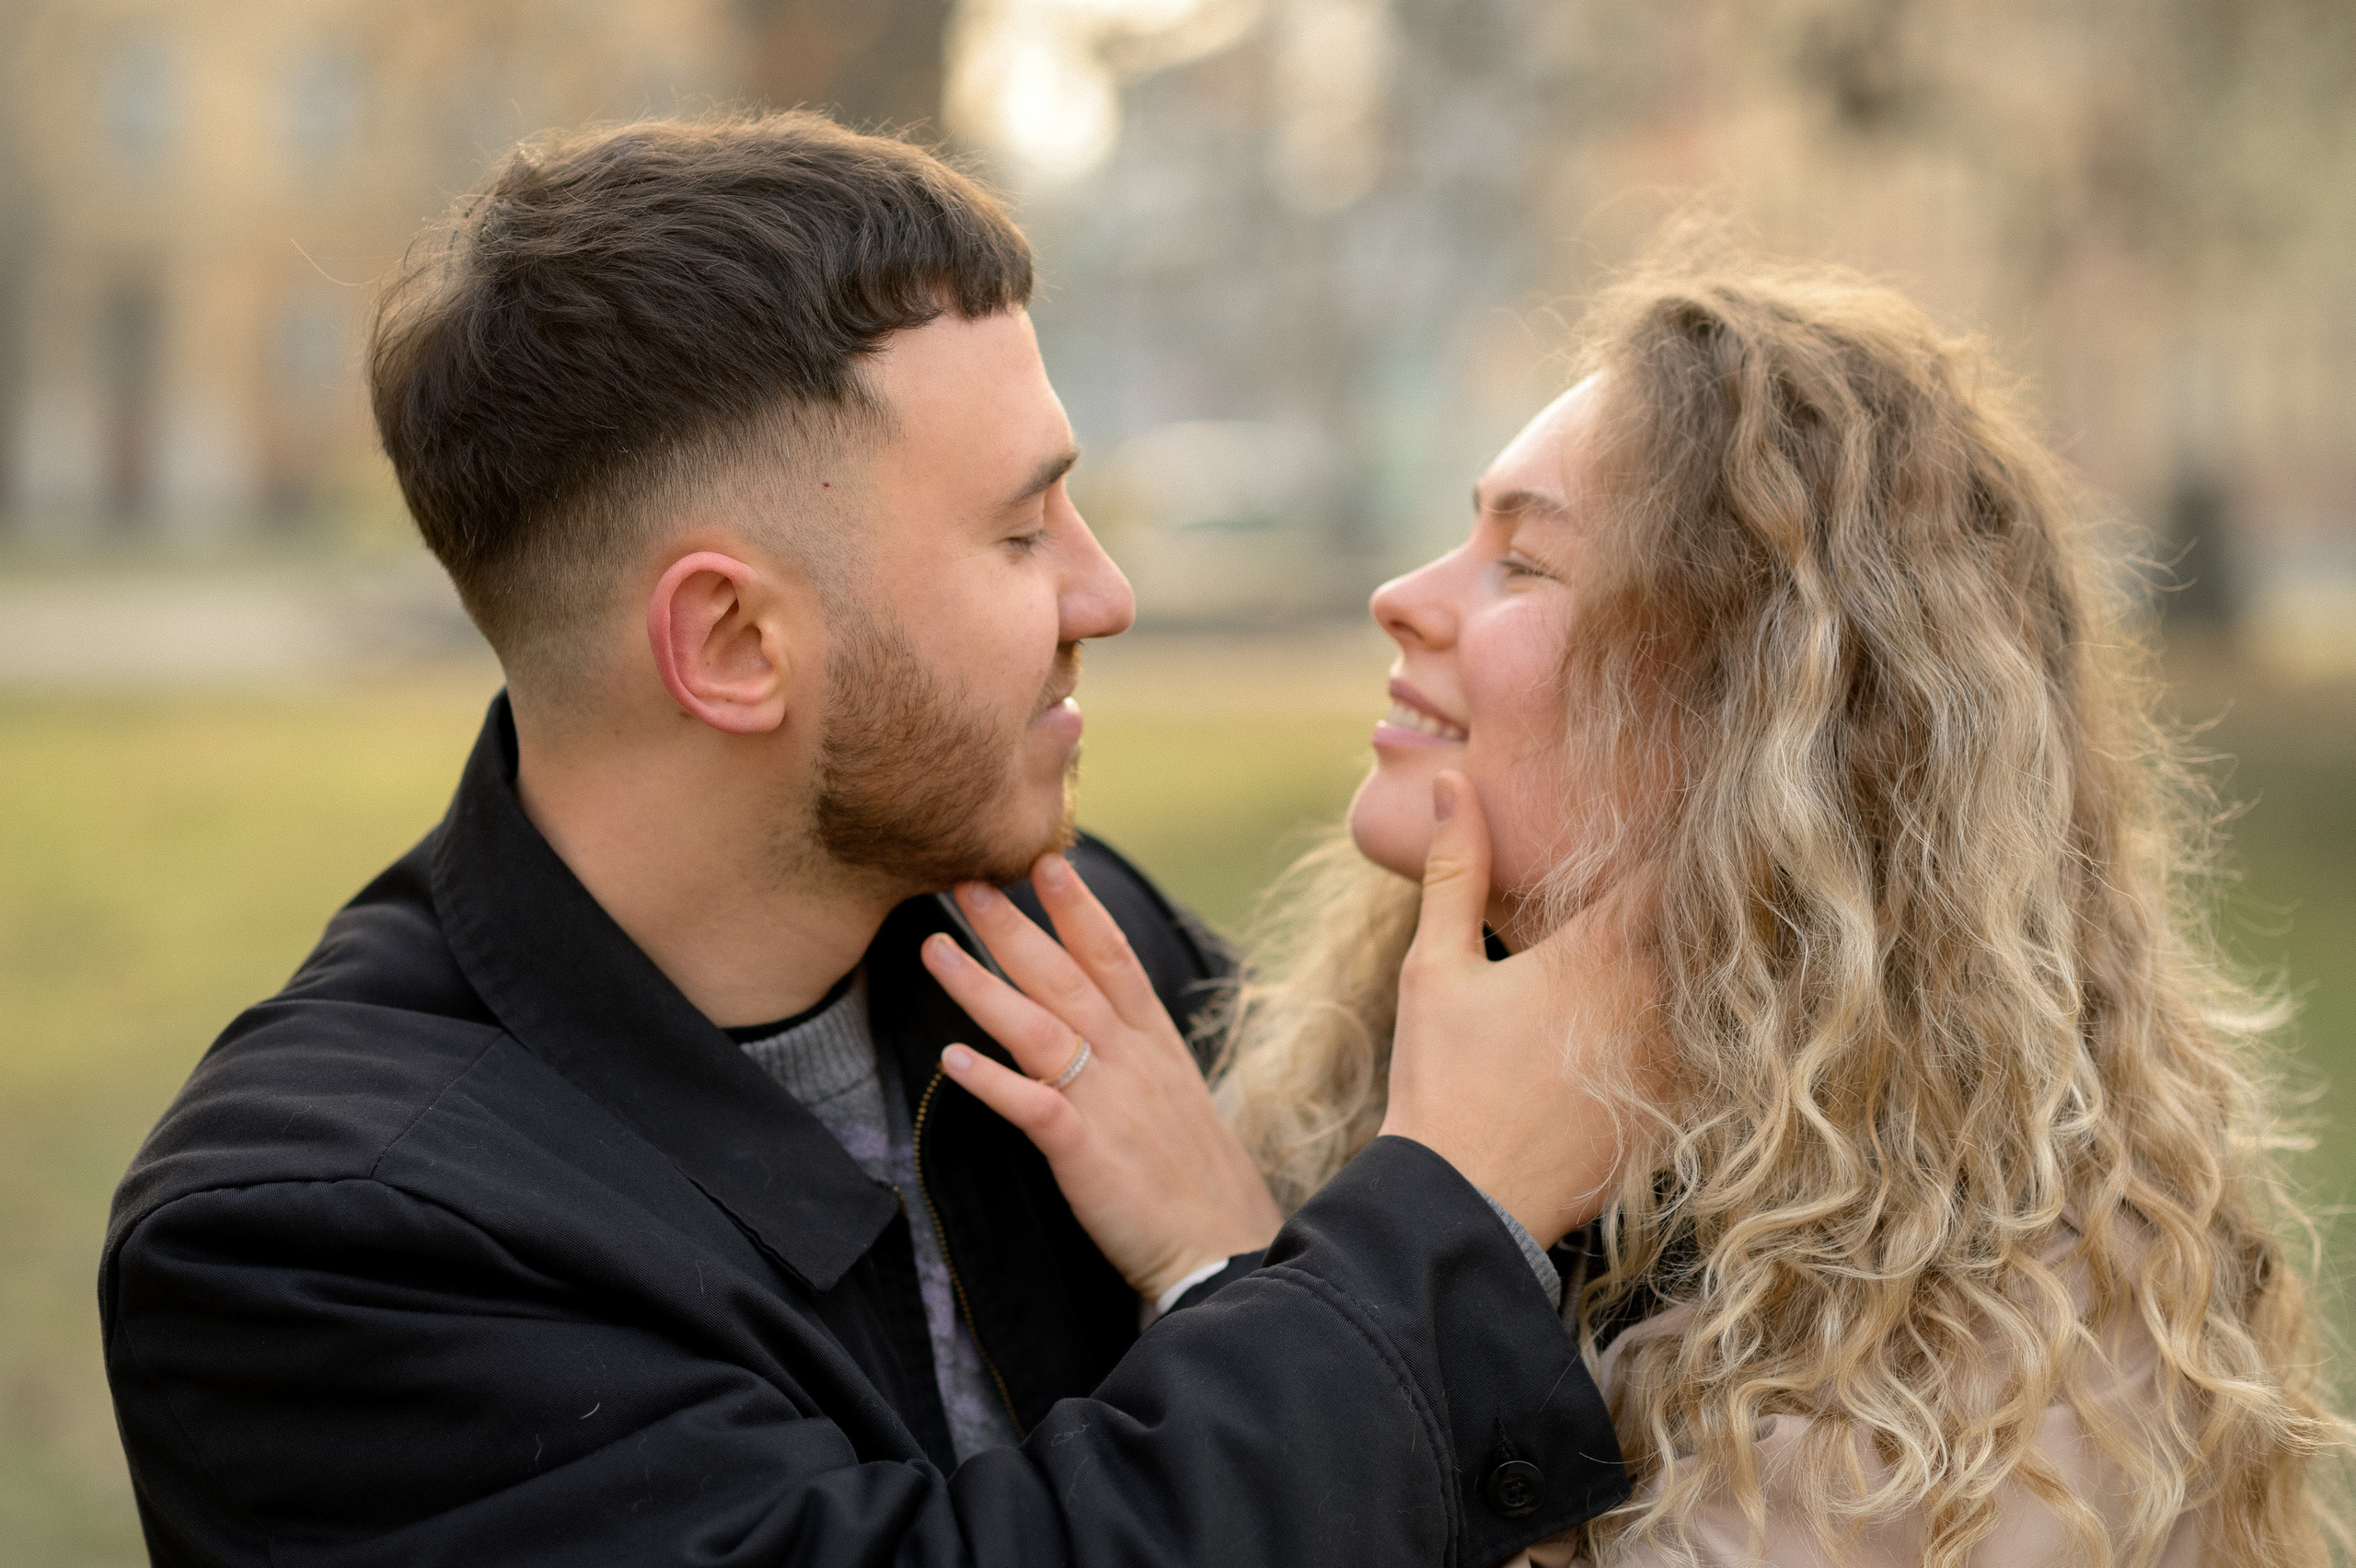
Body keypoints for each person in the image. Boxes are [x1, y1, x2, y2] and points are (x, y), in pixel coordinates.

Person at [98, 111, 1635, 1566]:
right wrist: (1449, 1213)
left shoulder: (1048, 945)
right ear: (733, 643)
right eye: (1023, 533)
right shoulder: (320, 1245)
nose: (1105, 597)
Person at [955, 253, 2348, 1565]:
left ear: (1757, 715)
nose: (1401, 599)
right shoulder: (1342, 1080)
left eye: (1525, 563)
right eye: (1462, 536)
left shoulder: (2029, 1332)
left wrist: (1230, 1271)